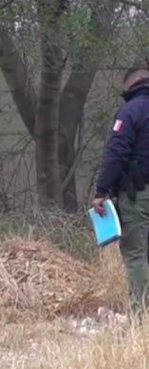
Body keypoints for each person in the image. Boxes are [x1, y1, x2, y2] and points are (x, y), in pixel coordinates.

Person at [93, 65, 149, 314]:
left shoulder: (130, 111)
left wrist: (101, 191)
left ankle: (142, 316)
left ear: (129, 87)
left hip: (138, 194)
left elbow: (116, 153)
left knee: (136, 254)